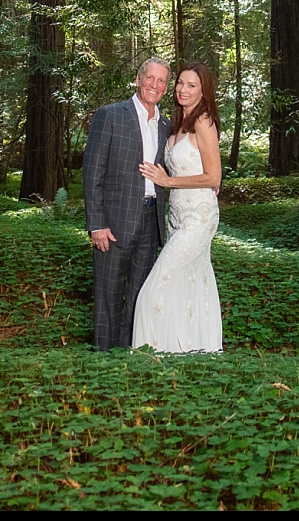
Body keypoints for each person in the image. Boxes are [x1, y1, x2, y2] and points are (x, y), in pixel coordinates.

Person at [131, 62, 223, 353]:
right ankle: (189, 350)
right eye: (180, 83)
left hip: (199, 216)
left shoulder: (203, 121)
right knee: (189, 285)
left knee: (154, 288)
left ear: (204, 91)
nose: (183, 89)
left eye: (192, 85)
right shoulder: (175, 124)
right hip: (177, 217)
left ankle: (150, 352)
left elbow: (214, 177)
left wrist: (168, 181)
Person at [84, 57, 172, 350]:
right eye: (150, 78)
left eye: (161, 81)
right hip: (114, 222)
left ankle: (128, 356)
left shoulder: (165, 125)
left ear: (165, 88)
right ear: (138, 79)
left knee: (139, 295)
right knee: (108, 295)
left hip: (150, 221)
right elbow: (92, 173)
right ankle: (103, 359)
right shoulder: (110, 116)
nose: (155, 85)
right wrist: (97, 223)